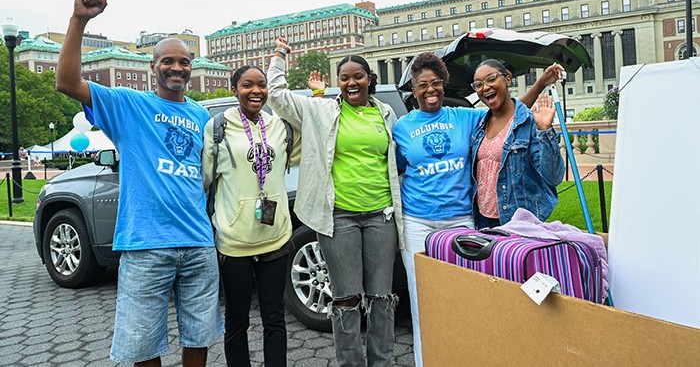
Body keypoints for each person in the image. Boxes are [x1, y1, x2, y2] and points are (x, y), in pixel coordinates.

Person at [55, 0, 223, 367]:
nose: (176, 68)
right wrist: (79, 20)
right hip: (146, 244)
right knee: (142, 342)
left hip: (198, 242)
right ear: (153, 67)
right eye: (167, 61)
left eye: (183, 61)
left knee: (200, 334)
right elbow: (66, 82)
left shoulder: (202, 118)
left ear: (191, 67)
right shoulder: (129, 105)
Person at [392, 52, 563, 367]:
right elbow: (397, 169)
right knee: (422, 300)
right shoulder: (401, 128)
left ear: (444, 85)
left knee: (467, 297)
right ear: (413, 91)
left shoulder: (464, 117)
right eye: (422, 85)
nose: (430, 90)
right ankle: (424, 360)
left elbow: (509, 115)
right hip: (418, 222)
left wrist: (540, 83)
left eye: (436, 83)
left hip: (461, 222)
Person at [266, 37, 402, 367]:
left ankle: (381, 362)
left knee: (381, 297)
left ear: (370, 79)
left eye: (358, 76)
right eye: (345, 77)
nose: (352, 82)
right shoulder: (320, 110)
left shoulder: (386, 115)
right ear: (338, 82)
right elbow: (277, 97)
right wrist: (280, 57)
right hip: (338, 218)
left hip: (381, 216)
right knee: (345, 297)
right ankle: (350, 363)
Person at [202, 65, 300, 367]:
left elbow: (313, 143)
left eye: (261, 85)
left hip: (274, 237)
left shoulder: (280, 127)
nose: (255, 91)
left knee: (274, 318)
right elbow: (205, 180)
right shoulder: (217, 128)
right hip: (234, 241)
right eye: (247, 85)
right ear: (235, 90)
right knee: (237, 320)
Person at [470, 58, 565, 228]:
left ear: (507, 79)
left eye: (491, 79)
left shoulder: (529, 122)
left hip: (518, 221)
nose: (485, 87)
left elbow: (553, 177)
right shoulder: (479, 126)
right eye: (478, 84)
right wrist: (541, 82)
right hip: (483, 220)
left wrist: (544, 130)